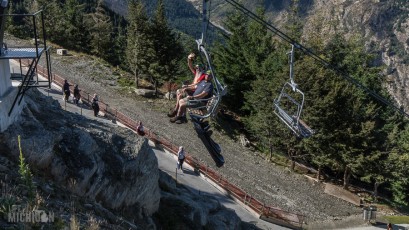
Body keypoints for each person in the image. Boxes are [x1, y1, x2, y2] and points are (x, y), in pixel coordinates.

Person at [167, 53, 207, 118]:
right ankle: (177, 110)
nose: (196, 69)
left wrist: (187, 87)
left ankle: (177, 111)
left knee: (180, 94)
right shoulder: (197, 73)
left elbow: (196, 86)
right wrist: (189, 59)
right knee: (178, 92)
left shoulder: (202, 76)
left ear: (201, 69)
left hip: (194, 93)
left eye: (197, 68)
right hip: (191, 91)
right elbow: (190, 65)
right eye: (196, 68)